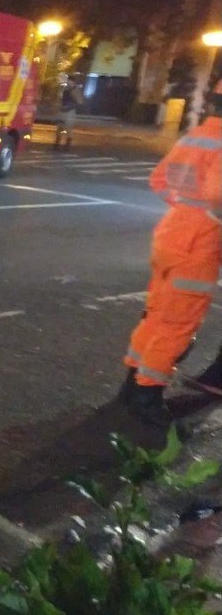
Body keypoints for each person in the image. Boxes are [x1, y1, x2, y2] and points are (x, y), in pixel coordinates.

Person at [118, 79, 222, 426]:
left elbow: (159, 180)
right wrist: (207, 217)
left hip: (172, 233)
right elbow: (218, 195)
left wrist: (186, 209)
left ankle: (132, 383)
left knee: (158, 313)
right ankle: (147, 395)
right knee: (178, 323)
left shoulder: (199, 134)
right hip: (199, 243)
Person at [55, 72, 85, 150]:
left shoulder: (74, 89)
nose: (69, 83)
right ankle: (59, 144)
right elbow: (59, 98)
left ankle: (65, 145)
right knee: (61, 127)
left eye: (70, 81)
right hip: (65, 110)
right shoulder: (65, 88)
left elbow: (80, 101)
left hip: (68, 110)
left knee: (66, 128)